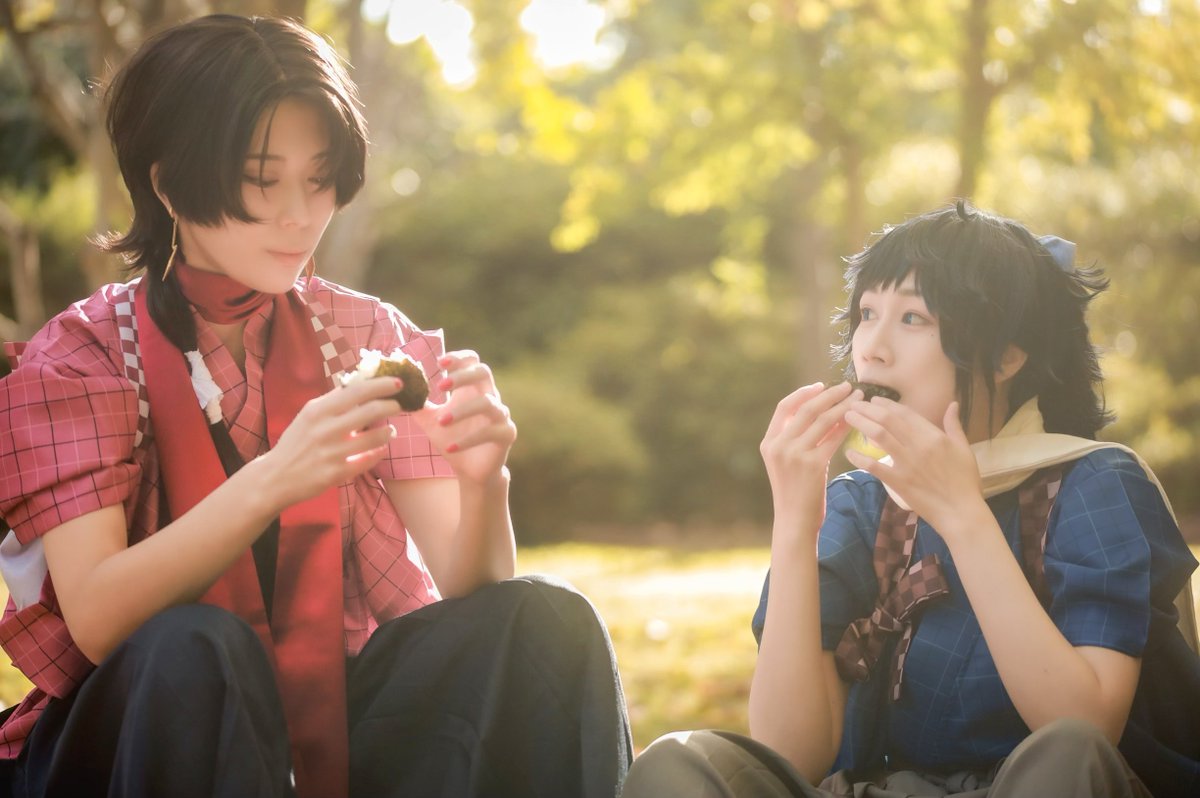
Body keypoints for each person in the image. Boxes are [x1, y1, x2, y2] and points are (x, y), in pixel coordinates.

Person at [0, 14, 631, 798]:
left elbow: (472, 595)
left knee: (544, 619)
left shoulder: (365, 334)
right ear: (166, 182)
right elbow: (99, 621)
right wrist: (275, 477)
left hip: (335, 706)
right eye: (261, 181)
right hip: (136, 735)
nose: (299, 214)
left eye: (320, 177)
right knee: (196, 647)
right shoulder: (83, 358)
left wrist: (483, 483)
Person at [619, 201, 1199, 798]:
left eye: (913, 318)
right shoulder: (862, 505)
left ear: (1007, 355)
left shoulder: (1092, 483)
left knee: (1068, 756)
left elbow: (1086, 729)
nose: (871, 348)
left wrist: (963, 517)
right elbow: (793, 754)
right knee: (677, 763)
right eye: (867, 313)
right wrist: (794, 524)